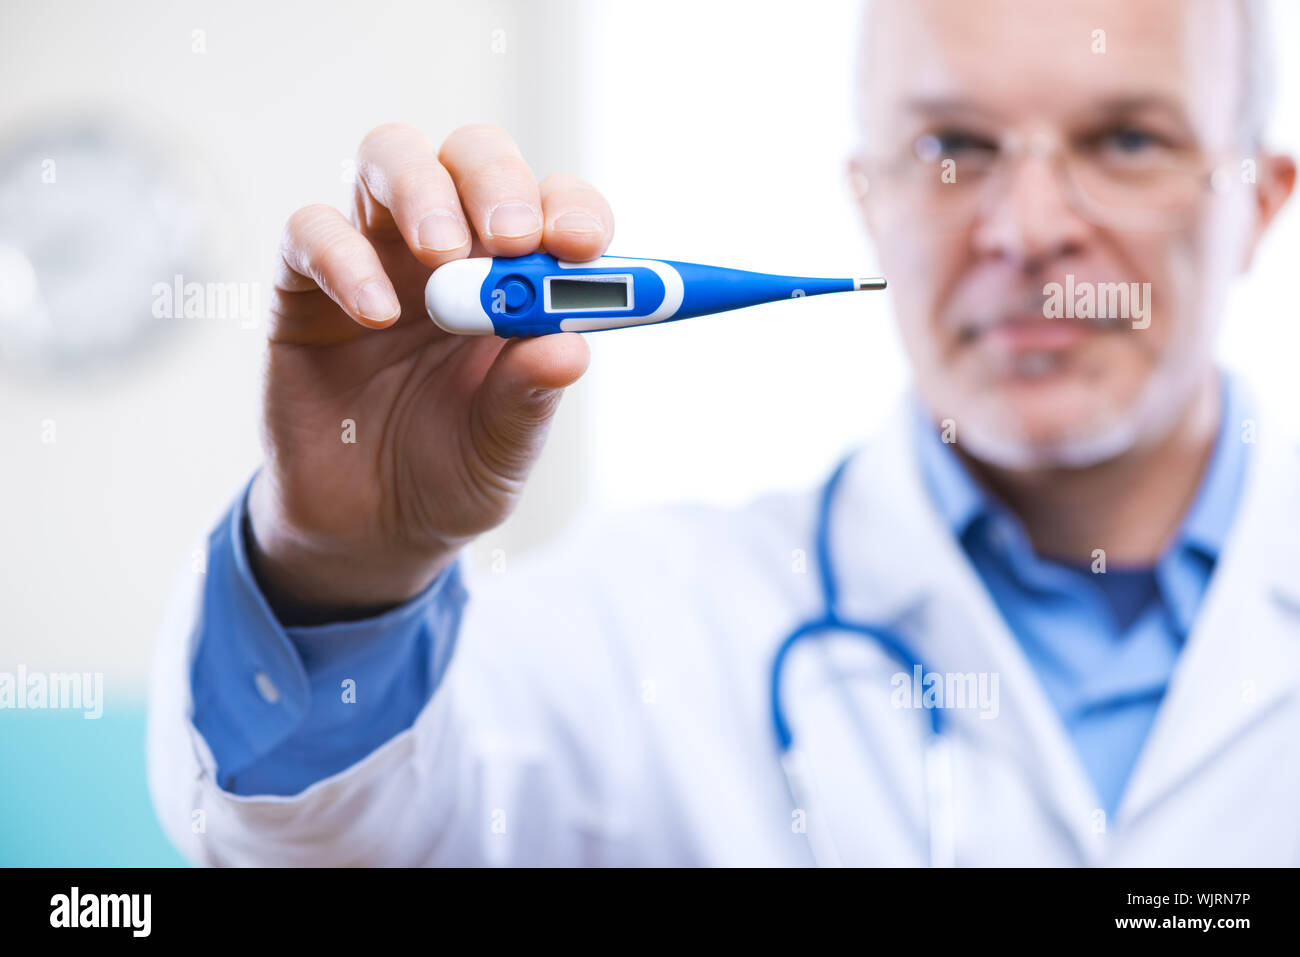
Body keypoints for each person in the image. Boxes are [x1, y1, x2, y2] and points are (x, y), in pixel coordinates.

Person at [147, 0, 1299, 865]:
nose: (1031, 228)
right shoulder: (637, 632)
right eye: (954, 146)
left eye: (1127, 141)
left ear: (1257, 201)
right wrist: (345, 571)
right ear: (870, 199)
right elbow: (328, 846)